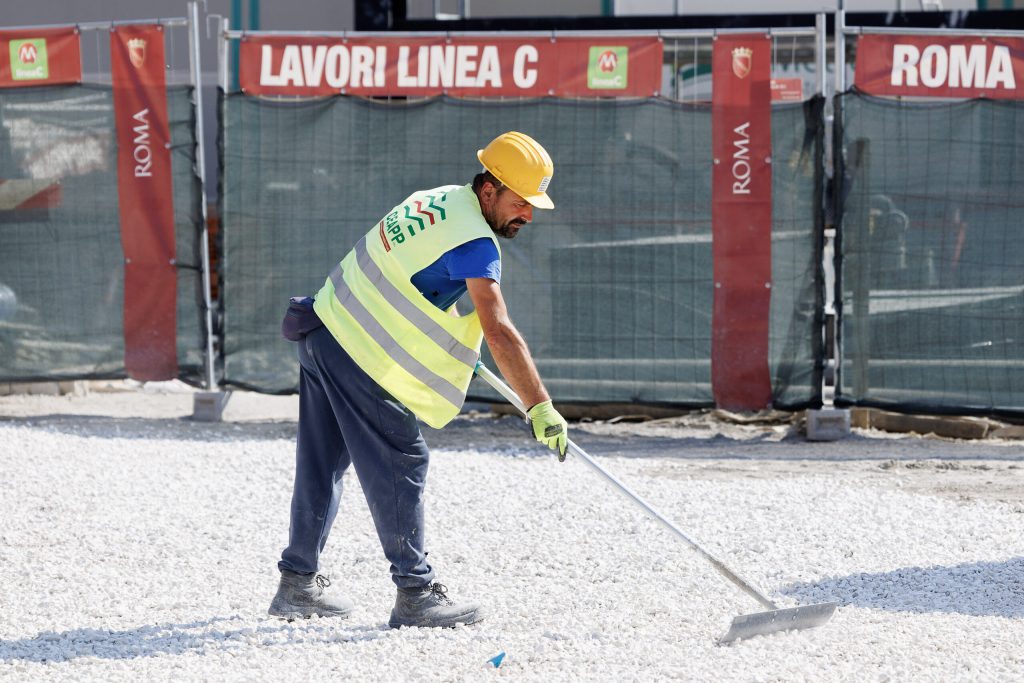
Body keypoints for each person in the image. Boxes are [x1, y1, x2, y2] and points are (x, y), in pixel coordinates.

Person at [269, 131, 569, 629]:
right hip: (358, 352)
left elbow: (405, 273)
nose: (528, 215)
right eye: (521, 202)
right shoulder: (476, 241)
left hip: (323, 329)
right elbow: (498, 327)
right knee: (402, 457)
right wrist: (538, 404)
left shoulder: (434, 200)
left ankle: (297, 585)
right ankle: (416, 593)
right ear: (489, 190)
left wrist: (443, 336)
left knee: (322, 465)